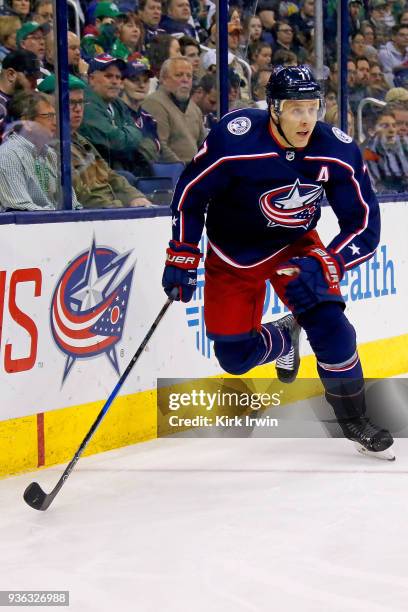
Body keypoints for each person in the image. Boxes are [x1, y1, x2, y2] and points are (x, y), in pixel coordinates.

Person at [161, 65, 394, 459]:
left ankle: (354, 420)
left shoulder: (336, 149)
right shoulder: (235, 140)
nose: (306, 119)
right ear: (273, 108)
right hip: (232, 254)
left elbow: (364, 222)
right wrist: (182, 253)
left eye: (312, 108)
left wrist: (329, 263)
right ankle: (284, 336)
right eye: (295, 108)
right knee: (234, 358)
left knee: (332, 326)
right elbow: (190, 195)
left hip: (296, 247)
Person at [38, 73, 152, 209]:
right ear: (49, 106)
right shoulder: (47, 145)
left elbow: (109, 174)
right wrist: (118, 207)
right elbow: (82, 195)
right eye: (70, 102)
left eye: (81, 102)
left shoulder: (78, 139)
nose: (78, 109)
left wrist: (135, 197)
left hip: (109, 210)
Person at [0, 91, 81, 210]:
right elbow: (21, 209)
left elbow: (73, 205)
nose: (55, 122)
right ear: (27, 122)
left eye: (55, 116)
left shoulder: (52, 155)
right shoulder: (8, 156)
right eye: (48, 116)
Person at [79, 53, 155, 176]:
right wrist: (124, 132)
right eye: (109, 76)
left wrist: (122, 132)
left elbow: (136, 133)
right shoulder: (87, 105)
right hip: (95, 174)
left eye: (118, 77)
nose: (115, 81)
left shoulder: (117, 104)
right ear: (91, 79)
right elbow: (115, 141)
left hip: (117, 169)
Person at [142, 57, 206, 163]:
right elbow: (160, 147)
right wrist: (183, 169)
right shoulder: (154, 103)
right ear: (164, 79)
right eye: (179, 75)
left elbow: (204, 144)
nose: (185, 79)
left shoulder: (194, 108)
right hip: (173, 172)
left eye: (189, 76)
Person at [0, 49, 41, 139]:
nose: (35, 84)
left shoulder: (25, 100)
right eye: (30, 78)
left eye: (36, 78)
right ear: (11, 74)